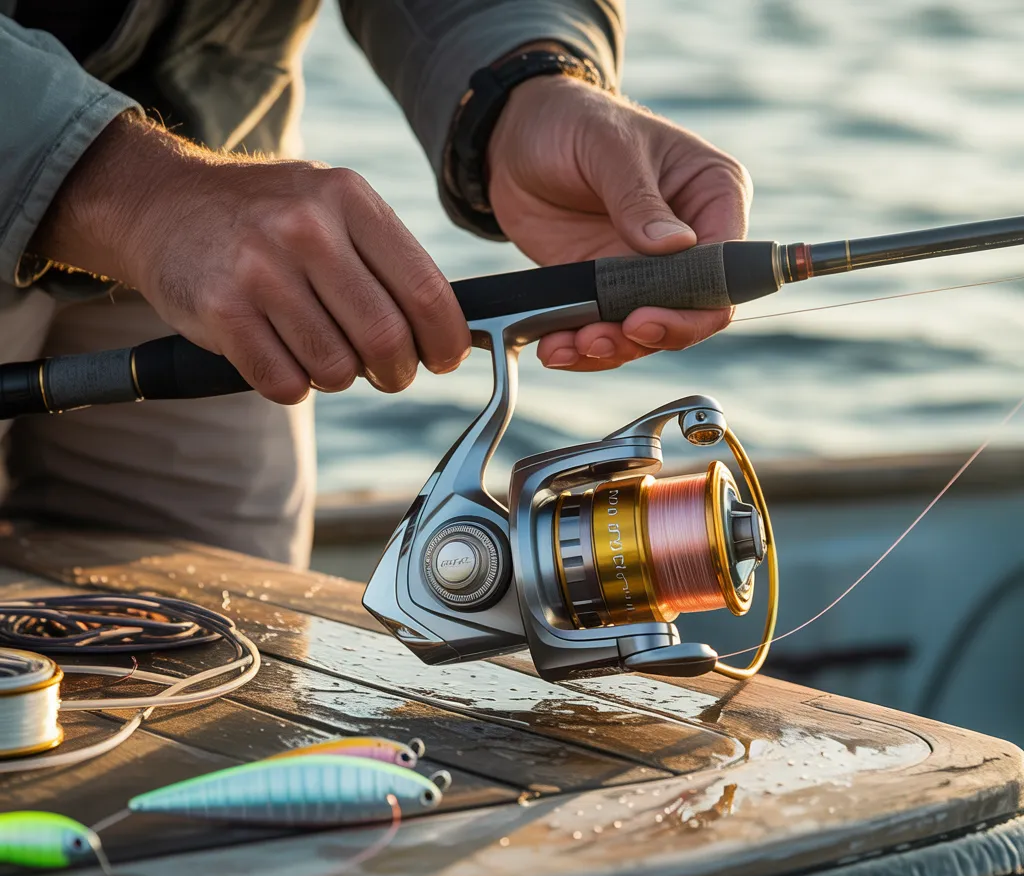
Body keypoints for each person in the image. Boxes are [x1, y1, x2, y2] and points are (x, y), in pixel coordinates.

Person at [0, 1, 750, 567]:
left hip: (227, 214)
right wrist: (130, 188)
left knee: (221, 632)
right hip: (183, 206)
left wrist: (523, 80)